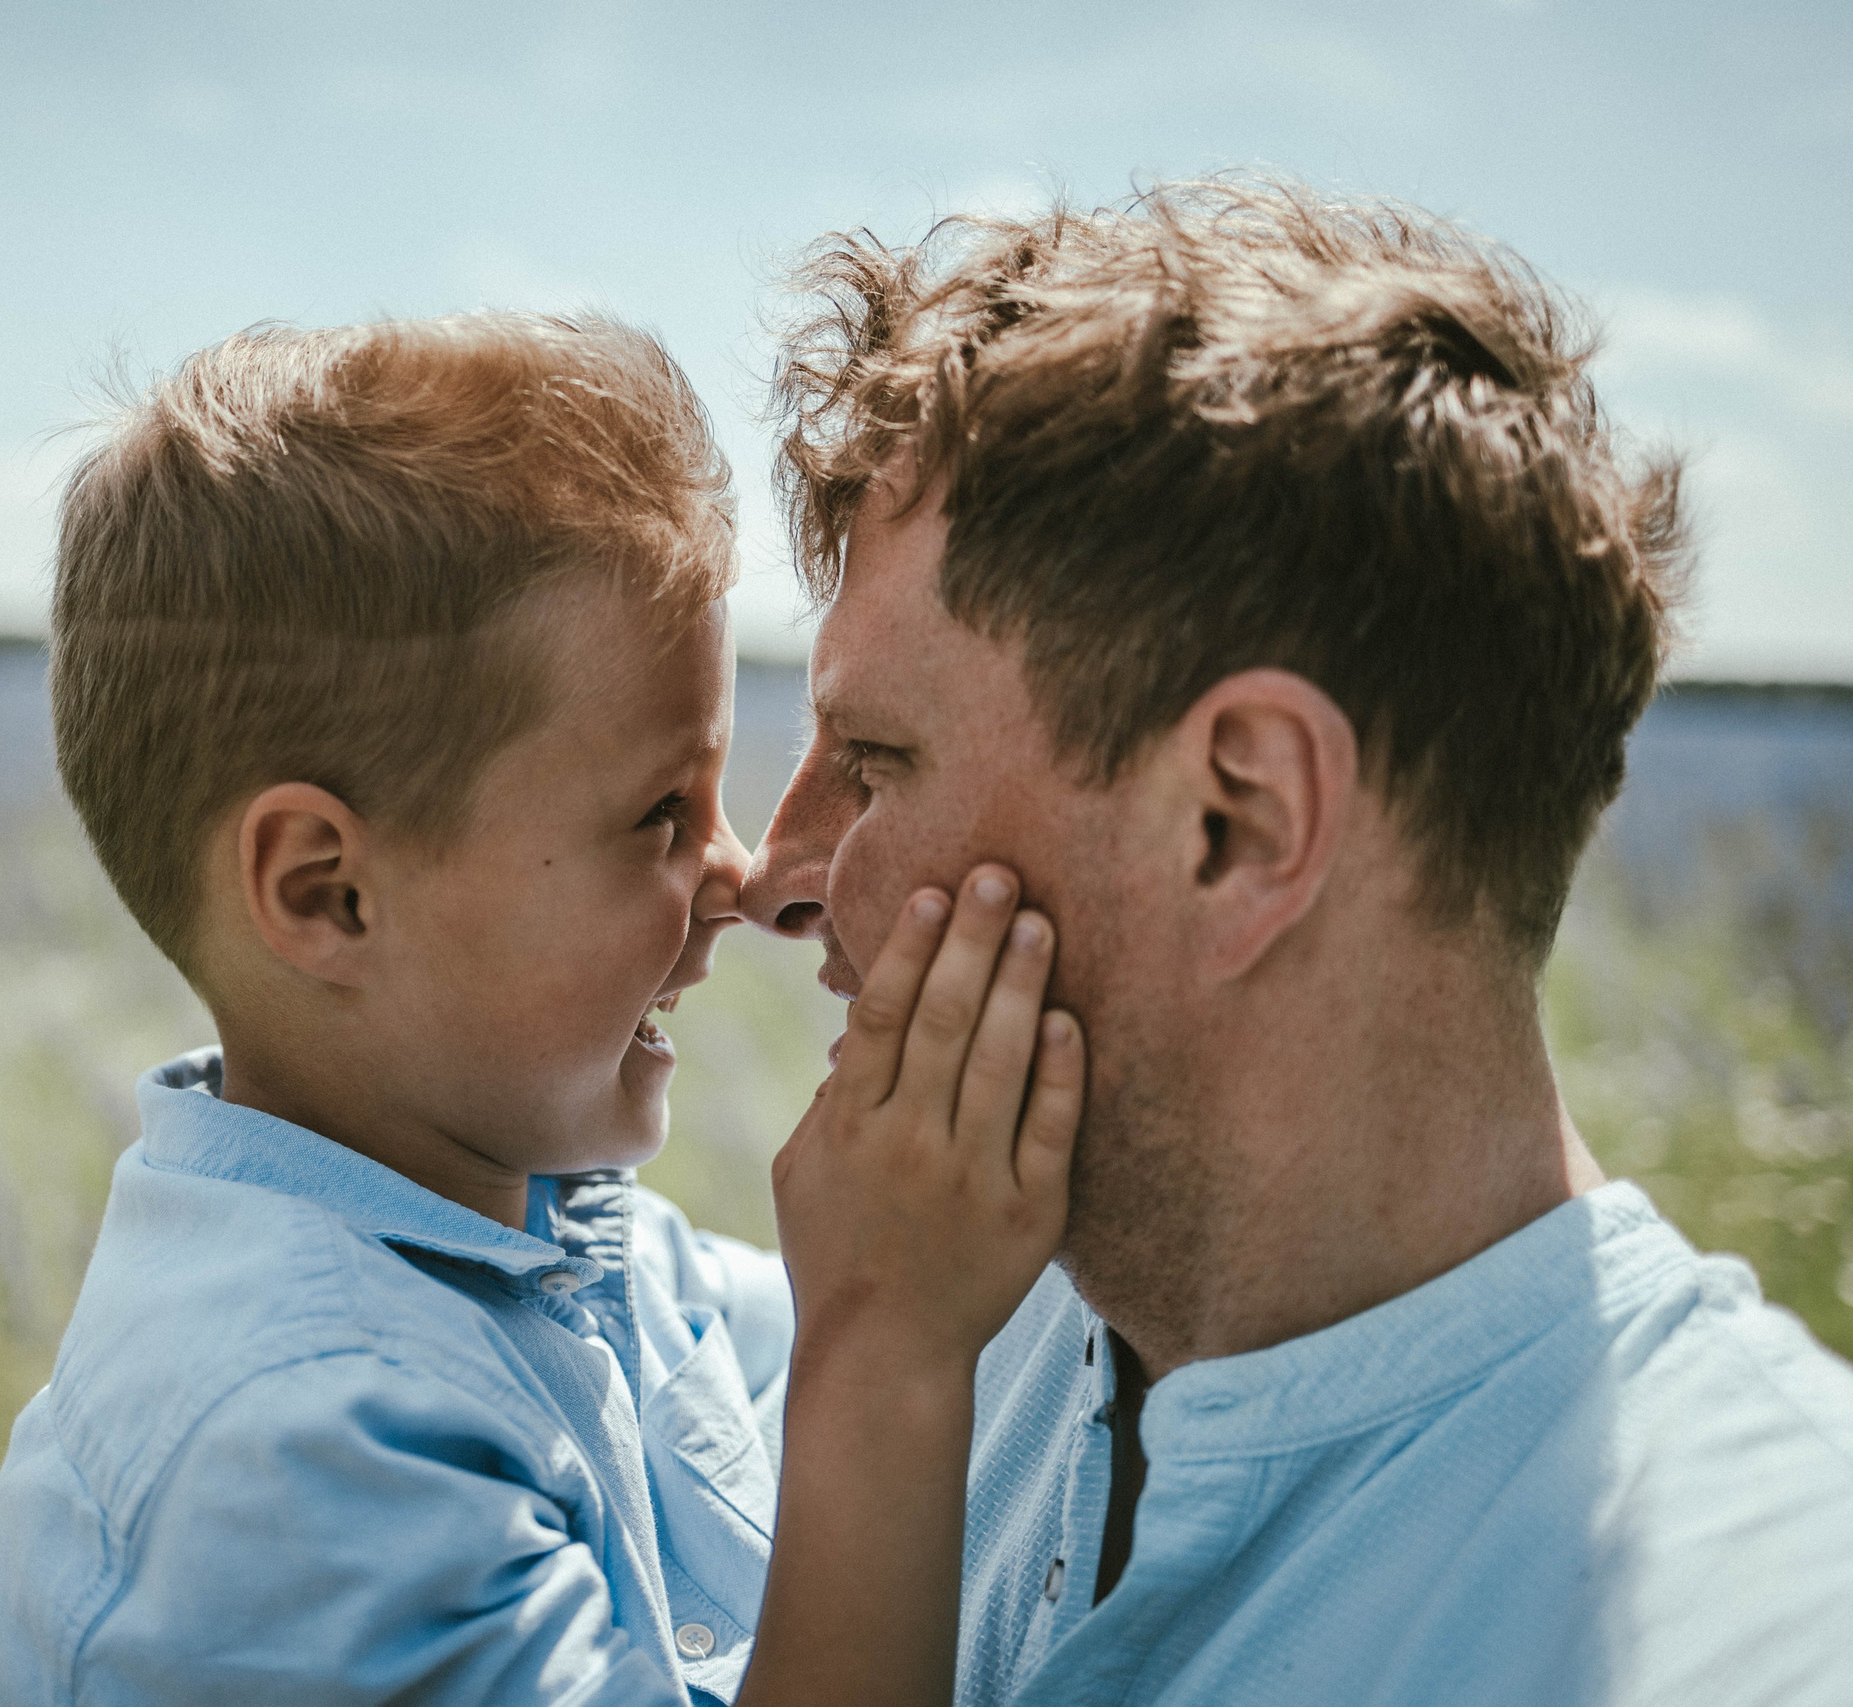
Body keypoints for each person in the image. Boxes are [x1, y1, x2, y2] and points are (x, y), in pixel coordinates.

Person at [741, 179, 1853, 1706]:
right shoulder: (942, 1314)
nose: (777, 876)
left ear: (1241, 820)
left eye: (874, 761)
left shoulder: (1770, 1628)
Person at [0, 311, 1088, 1707]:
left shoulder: (566, 1236)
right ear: (327, 896)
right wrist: (888, 1354)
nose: (735, 877)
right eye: (661, 812)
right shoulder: (299, 1455)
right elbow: (882, 1347)